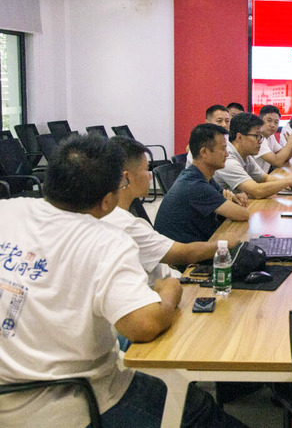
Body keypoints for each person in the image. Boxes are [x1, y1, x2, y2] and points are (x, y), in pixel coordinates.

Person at [0, 134, 244, 427]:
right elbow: (143, 326)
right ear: (107, 201)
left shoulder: (8, 210)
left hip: (8, 397)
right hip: (75, 404)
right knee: (193, 405)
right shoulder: (106, 240)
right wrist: (169, 291)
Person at [103, 136, 242, 285]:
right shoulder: (127, 225)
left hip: (172, 277)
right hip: (173, 285)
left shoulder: (109, 216)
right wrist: (225, 243)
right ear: (127, 178)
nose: (149, 176)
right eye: (146, 169)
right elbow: (186, 254)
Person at [155, 124, 250, 243]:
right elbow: (243, 214)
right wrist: (233, 205)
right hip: (187, 252)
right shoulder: (195, 185)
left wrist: (234, 201)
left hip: (199, 243)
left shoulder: (202, 177)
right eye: (223, 149)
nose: (227, 154)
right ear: (204, 152)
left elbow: (231, 204)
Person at [215, 112, 292, 198]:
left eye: (260, 136)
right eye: (256, 136)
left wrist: (289, 182)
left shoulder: (245, 155)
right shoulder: (227, 159)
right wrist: (286, 181)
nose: (260, 141)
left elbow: (265, 178)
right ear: (239, 137)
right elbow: (256, 191)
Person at [254, 104, 292, 173]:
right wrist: (290, 142)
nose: (272, 125)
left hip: (264, 176)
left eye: (276, 122)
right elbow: (277, 162)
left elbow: (284, 158)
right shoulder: (257, 138)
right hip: (253, 179)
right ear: (260, 121)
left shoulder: (270, 136)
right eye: (269, 120)